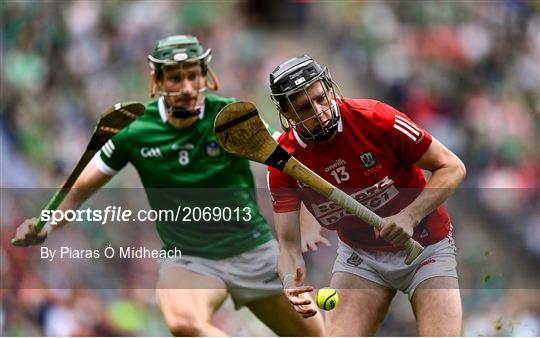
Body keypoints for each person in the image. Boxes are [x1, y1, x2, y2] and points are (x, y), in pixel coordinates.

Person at [13, 36, 325, 337]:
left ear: (206, 76)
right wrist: (46, 223)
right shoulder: (135, 130)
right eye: (175, 79)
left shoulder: (231, 116)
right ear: (158, 81)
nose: (187, 87)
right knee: (182, 322)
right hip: (189, 258)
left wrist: (307, 222)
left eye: (193, 76)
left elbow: (289, 162)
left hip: (252, 248)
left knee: (313, 334)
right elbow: (80, 188)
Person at [267, 55, 466, 336]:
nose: (320, 110)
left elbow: (452, 167)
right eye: (304, 108)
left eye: (321, 98)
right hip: (361, 259)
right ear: (287, 115)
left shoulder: (376, 119)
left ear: (329, 88)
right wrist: (290, 280)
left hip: (426, 248)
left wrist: (410, 215)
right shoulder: (284, 163)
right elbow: (288, 247)